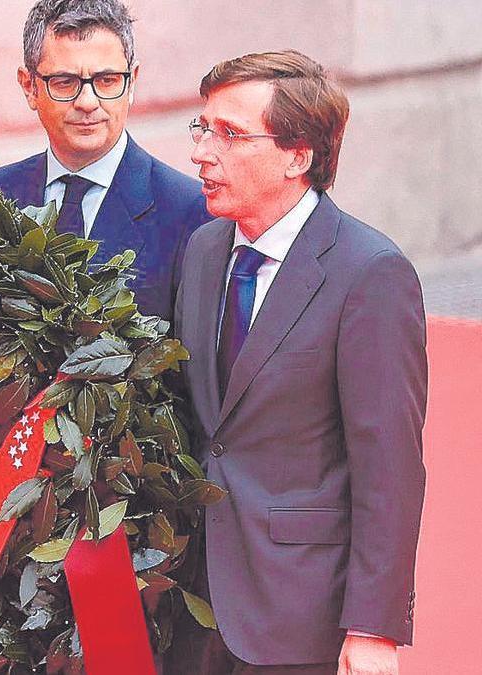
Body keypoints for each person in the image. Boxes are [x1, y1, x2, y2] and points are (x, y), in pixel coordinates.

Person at [0, 0, 210, 581]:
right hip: (0, 527)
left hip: (135, 536)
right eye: (66, 81)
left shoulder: (191, 213)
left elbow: (199, 393)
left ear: (133, 82)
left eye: (107, 80)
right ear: (29, 85)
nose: (88, 101)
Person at [167, 50, 426, 675]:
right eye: (202, 128)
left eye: (229, 134)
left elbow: (389, 467)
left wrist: (373, 629)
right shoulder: (203, 251)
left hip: (300, 615)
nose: (203, 152)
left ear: (298, 155)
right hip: (192, 605)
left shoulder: (370, 274)